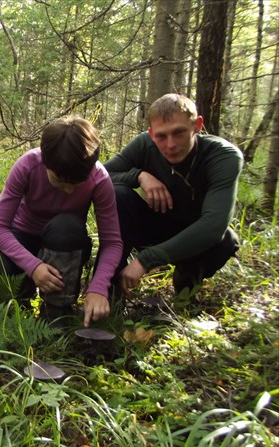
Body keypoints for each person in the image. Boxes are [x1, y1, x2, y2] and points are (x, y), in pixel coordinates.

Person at [0, 116, 123, 327]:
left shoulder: (99, 179)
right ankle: (22, 297)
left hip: (65, 243)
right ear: (46, 162)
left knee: (65, 226)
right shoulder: (29, 165)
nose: (68, 190)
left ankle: (57, 313)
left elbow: (112, 242)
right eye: (59, 180)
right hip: (23, 237)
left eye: (76, 183)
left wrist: (98, 287)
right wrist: (33, 267)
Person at [104, 93, 243, 298]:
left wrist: (146, 260)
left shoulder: (222, 156)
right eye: (161, 136)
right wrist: (139, 176)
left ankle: (186, 281)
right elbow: (101, 176)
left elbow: (214, 225)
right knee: (118, 194)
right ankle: (112, 288)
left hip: (195, 235)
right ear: (151, 134)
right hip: (155, 224)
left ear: (197, 125)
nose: (170, 144)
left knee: (226, 240)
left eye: (179, 133)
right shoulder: (144, 145)